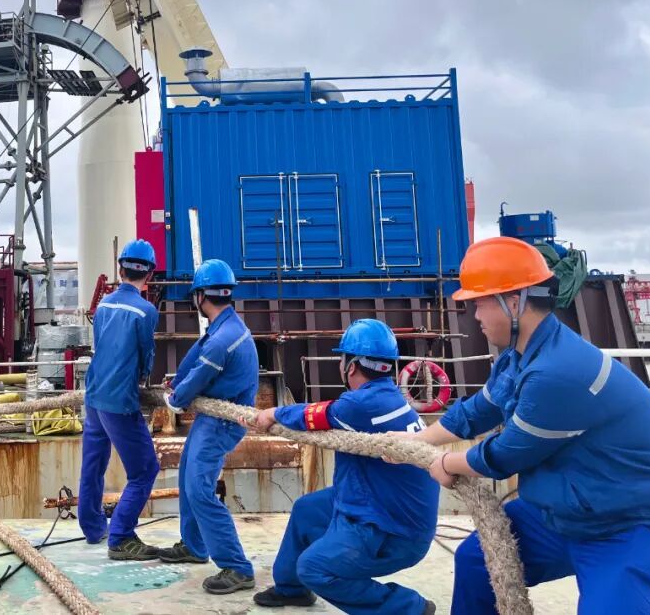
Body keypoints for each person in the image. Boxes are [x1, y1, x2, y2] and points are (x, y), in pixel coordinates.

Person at [405, 237, 650, 614]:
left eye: (479, 302)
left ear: (514, 302)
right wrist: (417, 440)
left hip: (628, 526)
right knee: (478, 561)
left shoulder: (557, 371)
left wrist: (448, 463)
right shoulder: (519, 357)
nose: (474, 315)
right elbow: (477, 412)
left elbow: (507, 454)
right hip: (565, 513)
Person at [248, 319, 438, 614]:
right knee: (307, 510)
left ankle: (410, 608)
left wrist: (272, 412)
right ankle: (291, 589)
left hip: (390, 529)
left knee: (314, 568)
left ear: (350, 366)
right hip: (383, 503)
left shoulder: (362, 405)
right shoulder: (388, 398)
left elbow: (312, 415)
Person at [156, 259, 259, 595]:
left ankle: (237, 567)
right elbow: (195, 359)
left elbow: (196, 378)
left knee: (199, 489)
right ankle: (195, 545)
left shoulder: (221, 339)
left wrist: (175, 397)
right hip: (212, 419)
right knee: (188, 475)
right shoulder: (224, 329)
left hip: (221, 423)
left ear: (200, 296)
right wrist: (177, 382)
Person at [78, 239, 161, 560]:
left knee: (93, 464)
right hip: (120, 401)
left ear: (120, 269)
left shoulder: (103, 306)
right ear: (149, 274)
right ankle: (121, 535)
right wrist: (142, 380)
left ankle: (92, 528)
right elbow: (145, 355)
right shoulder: (146, 311)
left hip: (94, 394)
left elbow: (101, 346)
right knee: (144, 470)